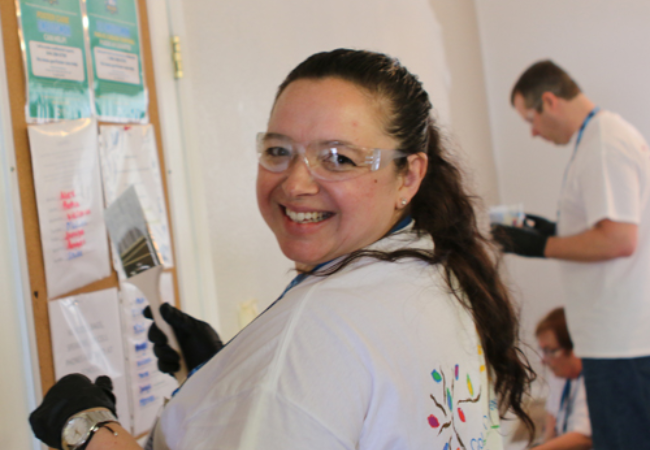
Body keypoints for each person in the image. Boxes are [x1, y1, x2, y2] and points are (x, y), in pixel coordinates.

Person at [29, 49, 534, 450]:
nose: (295, 183)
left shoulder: (320, 326)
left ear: (410, 175)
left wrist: (91, 432)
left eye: (339, 158)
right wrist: (228, 373)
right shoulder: (430, 271)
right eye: (278, 151)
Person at [492, 60, 650, 450]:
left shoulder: (604, 145)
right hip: (612, 338)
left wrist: (541, 246)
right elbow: (604, 230)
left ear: (549, 101)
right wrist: (553, 230)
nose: (532, 132)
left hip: (621, 341)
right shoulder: (596, 141)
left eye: (530, 118)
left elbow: (617, 240)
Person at [534, 308, 591, 450]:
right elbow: (551, 429)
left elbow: (584, 437)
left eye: (550, 351)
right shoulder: (560, 377)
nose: (544, 360)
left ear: (574, 349)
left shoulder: (595, 383)